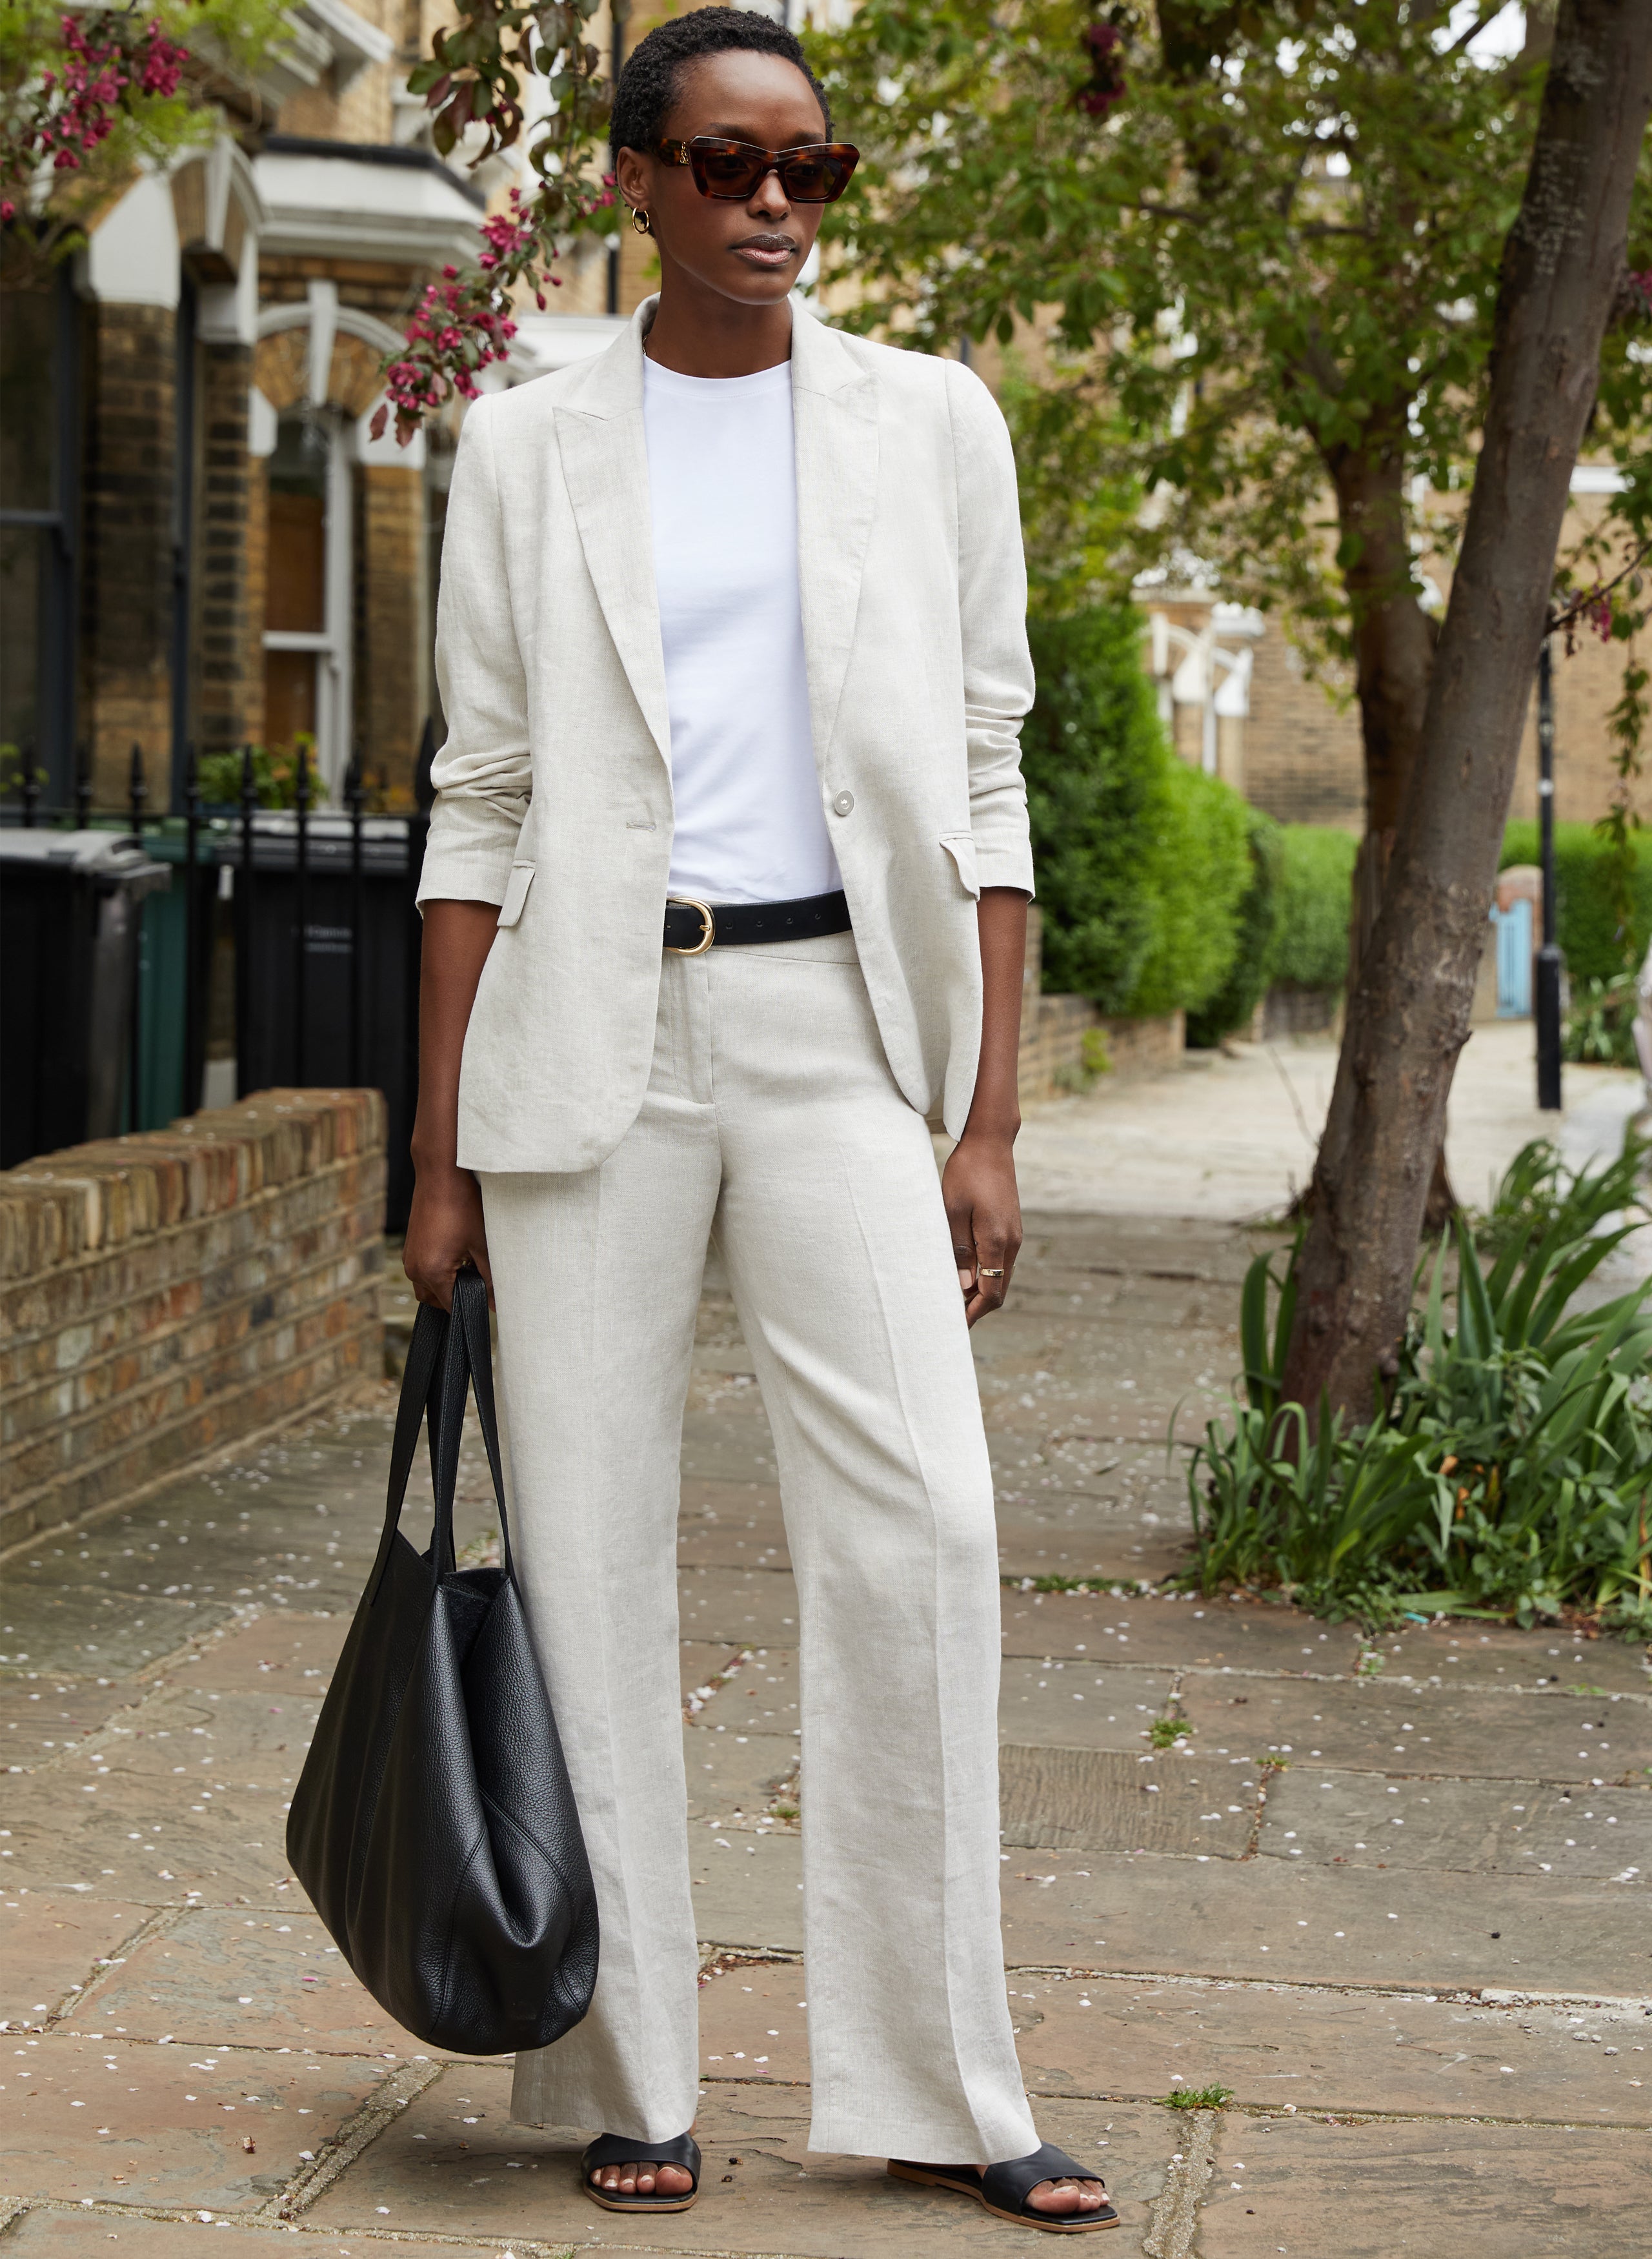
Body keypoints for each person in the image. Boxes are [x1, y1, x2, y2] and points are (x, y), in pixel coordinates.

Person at [401, 5, 1116, 2234]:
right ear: (634, 184)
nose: (775, 207)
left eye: (811, 168)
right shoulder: (527, 445)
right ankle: (639, 2072)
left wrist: (987, 1118)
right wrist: (439, 1159)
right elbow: (479, 804)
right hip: (589, 1043)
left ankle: (945, 2080)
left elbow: (986, 774)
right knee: (591, 1554)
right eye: (726, 167)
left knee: (926, 1521)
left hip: (836, 1024)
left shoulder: (933, 426)